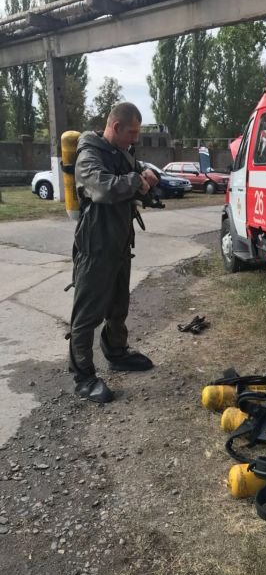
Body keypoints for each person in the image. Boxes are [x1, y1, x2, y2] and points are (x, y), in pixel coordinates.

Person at [69, 102, 158, 403]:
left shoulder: (121, 152)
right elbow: (103, 188)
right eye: (131, 132)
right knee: (87, 314)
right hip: (95, 247)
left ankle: (117, 353)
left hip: (119, 243)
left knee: (118, 305)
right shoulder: (89, 154)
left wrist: (146, 175)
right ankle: (83, 376)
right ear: (116, 127)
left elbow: (134, 176)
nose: (135, 138)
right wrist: (136, 181)